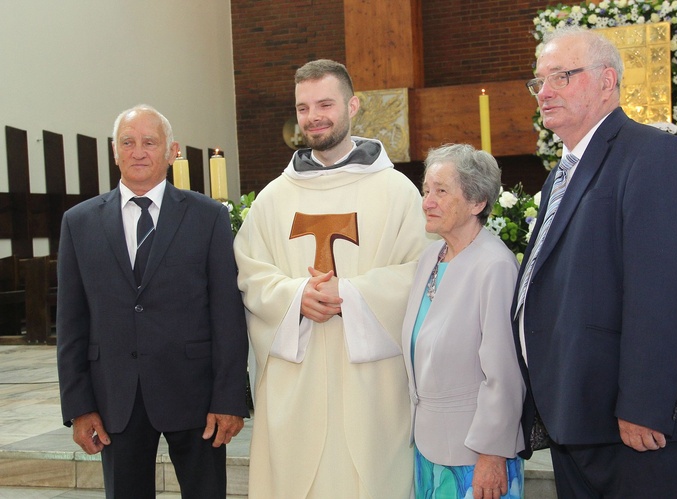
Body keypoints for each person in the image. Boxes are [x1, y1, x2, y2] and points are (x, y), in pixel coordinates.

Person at [512, 26, 677, 497]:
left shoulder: (651, 155)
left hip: (636, 427)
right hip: (580, 416)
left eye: (560, 77)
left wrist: (645, 404)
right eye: (538, 82)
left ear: (607, 81)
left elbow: (664, 292)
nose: (544, 92)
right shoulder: (561, 174)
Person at [234, 59, 429, 498]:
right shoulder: (274, 197)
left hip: (371, 383)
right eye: (304, 108)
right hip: (296, 378)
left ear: (353, 105)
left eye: (325, 104)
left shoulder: (397, 192)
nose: (314, 117)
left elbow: (420, 271)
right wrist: (294, 296)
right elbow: (250, 270)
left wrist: (355, 294)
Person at [56, 104, 249, 499]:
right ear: (115, 151)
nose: (138, 151)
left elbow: (227, 315)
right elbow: (71, 322)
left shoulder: (208, 217)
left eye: (149, 142)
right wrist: (79, 406)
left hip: (196, 397)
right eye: (128, 142)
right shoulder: (79, 223)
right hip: (115, 398)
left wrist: (229, 398)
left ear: (171, 150)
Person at [403, 144, 525, 499]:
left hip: (477, 456)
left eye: (441, 191)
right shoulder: (430, 259)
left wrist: (492, 453)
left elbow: (504, 375)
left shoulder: (495, 266)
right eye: (426, 190)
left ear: (477, 202)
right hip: (430, 450)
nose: (427, 201)